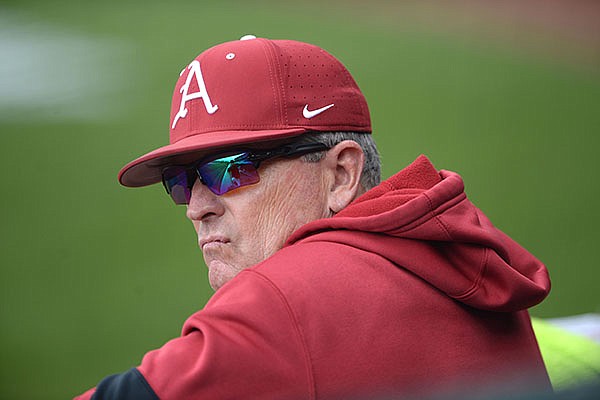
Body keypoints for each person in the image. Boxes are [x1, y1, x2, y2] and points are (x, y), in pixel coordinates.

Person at [75, 36, 552, 400]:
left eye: (229, 170)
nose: (197, 206)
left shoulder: (280, 302)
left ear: (341, 173)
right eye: (180, 181)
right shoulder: (466, 269)